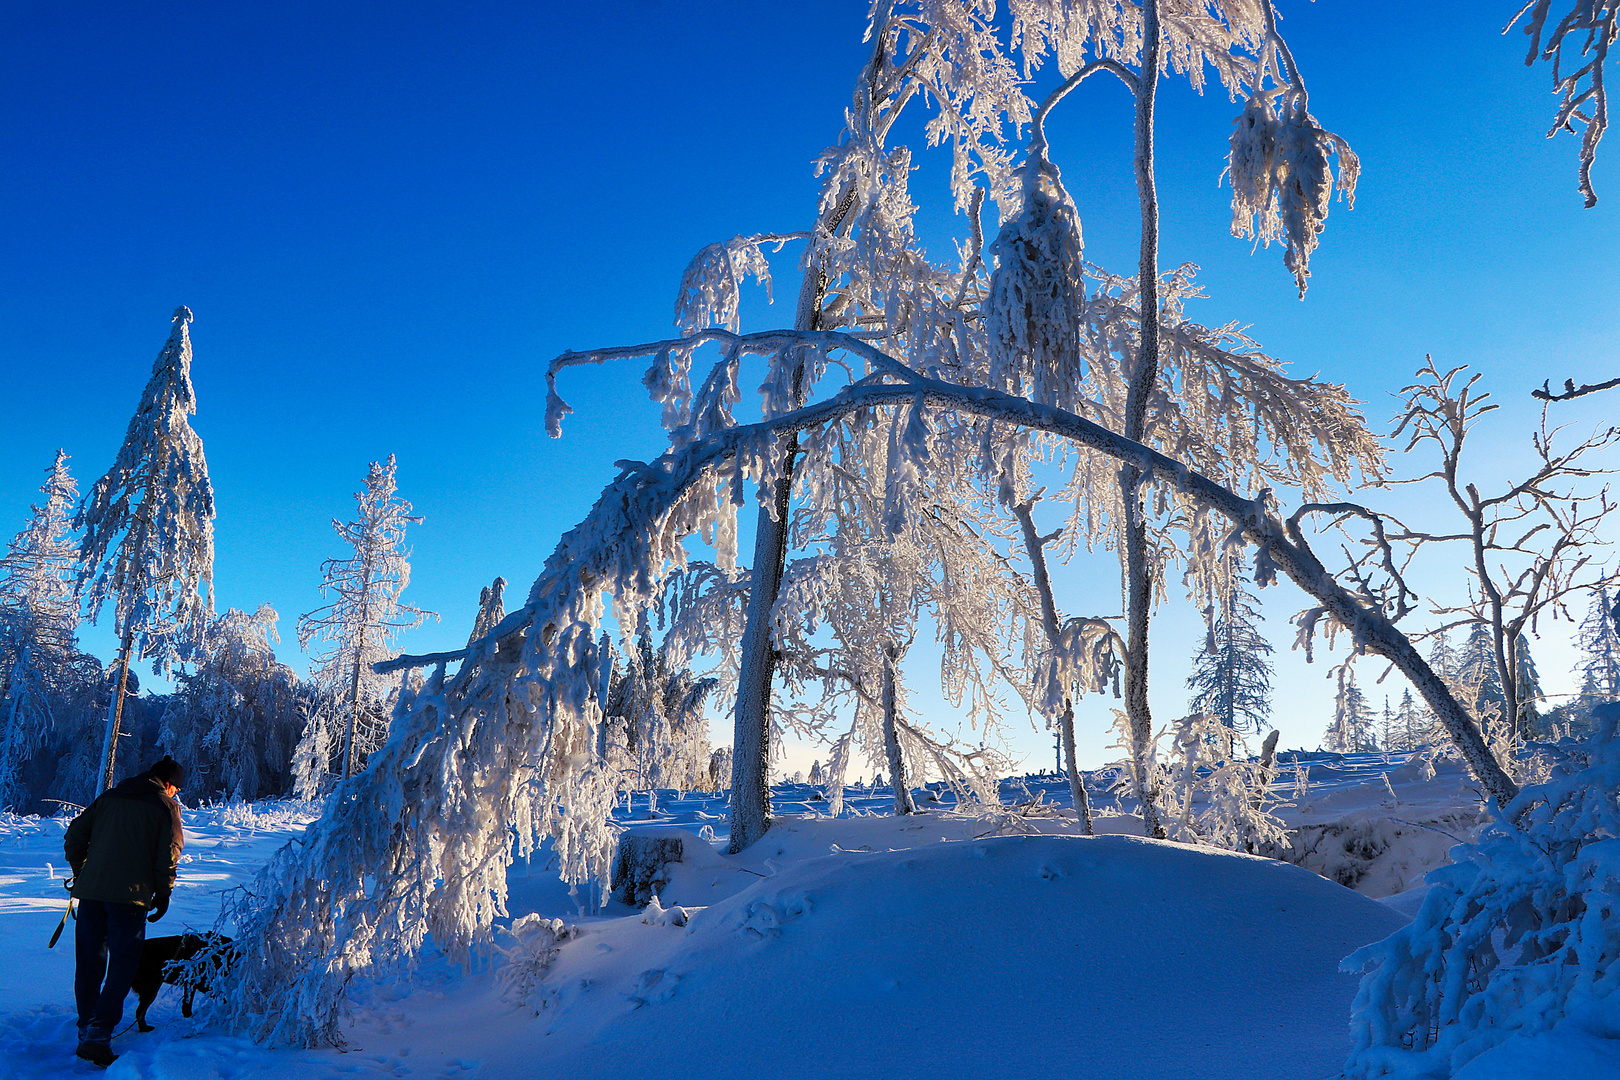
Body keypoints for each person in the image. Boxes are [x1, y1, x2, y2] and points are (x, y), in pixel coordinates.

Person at [63, 756, 185, 1067]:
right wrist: (164, 893)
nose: (175, 794)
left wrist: (82, 873)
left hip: (91, 895)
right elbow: (169, 853)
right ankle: (98, 1035)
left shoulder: (110, 797)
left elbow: (75, 835)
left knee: (89, 964)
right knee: (123, 966)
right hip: (130, 899)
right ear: (168, 784)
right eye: (176, 789)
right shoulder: (164, 805)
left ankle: (85, 1028)